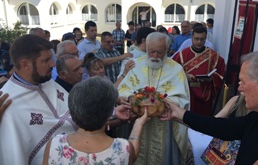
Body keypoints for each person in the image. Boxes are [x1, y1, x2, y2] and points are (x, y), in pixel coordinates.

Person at [162, 50, 258, 165]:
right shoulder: (255, 118)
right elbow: (220, 126)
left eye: (243, 81)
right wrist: (180, 114)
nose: (239, 89)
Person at [0, 35, 77, 165]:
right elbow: (13, 155)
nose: (53, 64)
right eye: (46, 60)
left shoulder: (47, 82)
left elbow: (76, 110)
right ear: (25, 64)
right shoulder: (7, 102)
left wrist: (112, 113)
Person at [117, 32, 190, 164]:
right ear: (147, 47)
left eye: (160, 52)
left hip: (164, 124)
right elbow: (123, 89)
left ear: (167, 50)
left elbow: (182, 98)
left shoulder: (176, 69)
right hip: (136, 120)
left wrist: (163, 104)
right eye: (152, 51)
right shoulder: (135, 64)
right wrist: (129, 98)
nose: (155, 56)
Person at [43, 76, 149, 164]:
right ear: (109, 114)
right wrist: (138, 123)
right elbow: (132, 154)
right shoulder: (123, 148)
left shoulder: (55, 144)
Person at [173, 26, 225, 116]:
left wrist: (212, 78)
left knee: (202, 122)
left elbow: (221, 74)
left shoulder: (214, 56)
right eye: (196, 39)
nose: (199, 42)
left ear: (205, 39)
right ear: (191, 38)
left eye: (202, 39)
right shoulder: (181, 55)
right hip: (187, 93)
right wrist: (184, 75)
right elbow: (172, 73)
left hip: (205, 94)